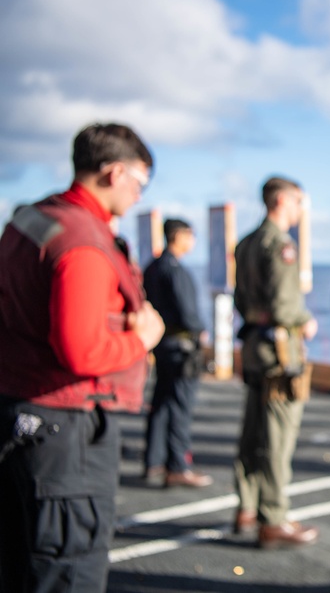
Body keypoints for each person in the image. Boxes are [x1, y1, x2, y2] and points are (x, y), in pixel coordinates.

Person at [0, 123, 165, 593]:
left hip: (17, 410)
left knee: (20, 562)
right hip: (64, 430)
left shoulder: (30, 218)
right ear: (115, 173)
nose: (138, 195)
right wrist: (143, 338)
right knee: (69, 566)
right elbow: (82, 350)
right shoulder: (85, 243)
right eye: (139, 182)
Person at [232, 176, 320, 549]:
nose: (302, 209)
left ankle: (248, 506)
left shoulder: (247, 243)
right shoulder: (282, 245)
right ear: (282, 201)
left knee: (252, 430)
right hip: (280, 353)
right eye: (299, 201)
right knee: (278, 437)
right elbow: (286, 305)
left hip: (253, 346)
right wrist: (305, 321)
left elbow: (240, 302)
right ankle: (274, 516)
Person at [142, 218, 213, 488]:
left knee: (161, 403)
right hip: (182, 346)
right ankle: (178, 465)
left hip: (162, 344)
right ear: (179, 236)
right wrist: (200, 331)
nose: (192, 242)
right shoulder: (175, 270)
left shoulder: (153, 267)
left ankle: (153, 460)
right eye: (190, 236)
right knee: (181, 405)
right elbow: (188, 312)